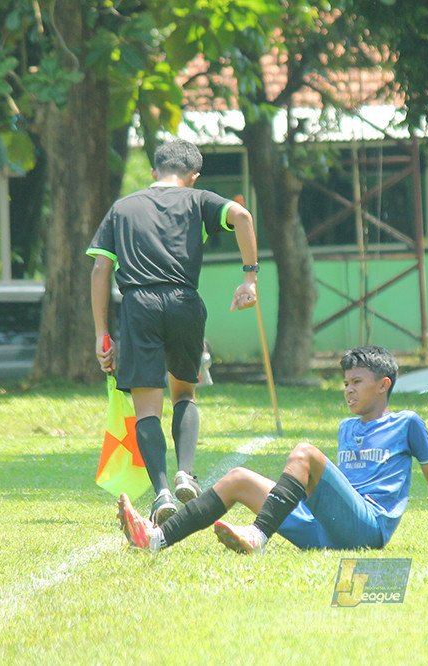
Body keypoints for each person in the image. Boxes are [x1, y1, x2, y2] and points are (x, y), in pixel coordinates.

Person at [116, 345, 428, 554]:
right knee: (238, 478)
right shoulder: (347, 427)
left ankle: (258, 535)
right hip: (325, 529)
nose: (348, 390)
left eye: (357, 383)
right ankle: (156, 538)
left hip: (368, 529)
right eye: (346, 383)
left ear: (383, 385)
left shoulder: (407, 423)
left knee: (305, 452)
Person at [88, 139, 259, 525]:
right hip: (184, 302)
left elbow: (100, 268)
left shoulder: (122, 208)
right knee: (184, 392)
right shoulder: (199, 200)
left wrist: (102, 333)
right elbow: (243, 216)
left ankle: (162, 491)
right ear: (194, 175)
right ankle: (185, 472)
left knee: (147, 406)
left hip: (138, 306)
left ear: (154, 171)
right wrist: (250, 278)